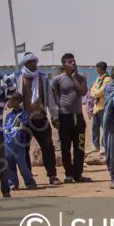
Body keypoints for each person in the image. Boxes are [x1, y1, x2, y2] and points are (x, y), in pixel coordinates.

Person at [14, 52, 59, 186]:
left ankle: (52, 175)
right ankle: (29, 178)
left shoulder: (42, 78)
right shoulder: (18, 78)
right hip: (25, 119)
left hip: (41, 119)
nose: (33, 64)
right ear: (25, 63)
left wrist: (54, 117)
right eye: (30, 62)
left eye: (35, 61)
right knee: (24, 149)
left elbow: (50, 99)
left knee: (48, 147)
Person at [50, 52, 92, 183]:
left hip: (78, 117)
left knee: (79, 146)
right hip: (64, 116)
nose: (73, 63)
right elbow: (53, 99)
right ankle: (69, 174)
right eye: (70, 62)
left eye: (74, 61)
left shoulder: (81, 78)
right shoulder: (57, 79)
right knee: (65, 148)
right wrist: (55, 116)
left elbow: (83, 92)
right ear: (64, 64)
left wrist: (74, 78)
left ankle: (78, 174)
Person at [4, 93, 37, 192]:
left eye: (9, 100)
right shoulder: (9, 115)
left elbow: (23, 126)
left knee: (22, 164)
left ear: (17, 102)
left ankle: (30, 182)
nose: (7, 102)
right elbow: (6, 126)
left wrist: (14, 129)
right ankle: (12, 183)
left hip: (18, 143)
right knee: (9, 163)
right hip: (8, 143)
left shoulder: (23, 113)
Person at [89, 62, 112, 152]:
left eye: (97, 68)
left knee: (104, 127)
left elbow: (101, 92)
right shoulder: (98, 79)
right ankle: (95, 145)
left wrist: (95, 93)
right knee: (95, 126)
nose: (96, 70)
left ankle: (104, 145)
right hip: (96, 107)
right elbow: (92, 89)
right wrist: (95, 93)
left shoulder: (107, 79)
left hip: (103, 107)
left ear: (101, 69)